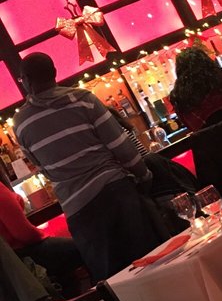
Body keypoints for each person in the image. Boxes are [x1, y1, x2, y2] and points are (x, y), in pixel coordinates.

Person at [15, 53, 165, 281]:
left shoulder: (21, 124)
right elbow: (121, 146)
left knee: (116, 281)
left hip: (80, 212)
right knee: (152, 265)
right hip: (116, 193)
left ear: (25, 80)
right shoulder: (83, 99)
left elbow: (44, 170)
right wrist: (144, 176)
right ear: (54, 72)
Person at [0, 166, 82, 297]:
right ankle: (99, 297)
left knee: (68, 270)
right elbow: (24, 234)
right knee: (85, 248)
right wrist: (45, 234)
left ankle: (72, 300)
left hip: (13, 263)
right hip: (26, 253)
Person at [170, 46, 222, 131]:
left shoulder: (178, 97)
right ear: (207, 60)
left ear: (178, 70)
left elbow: (191, 127)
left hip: (214, 138)